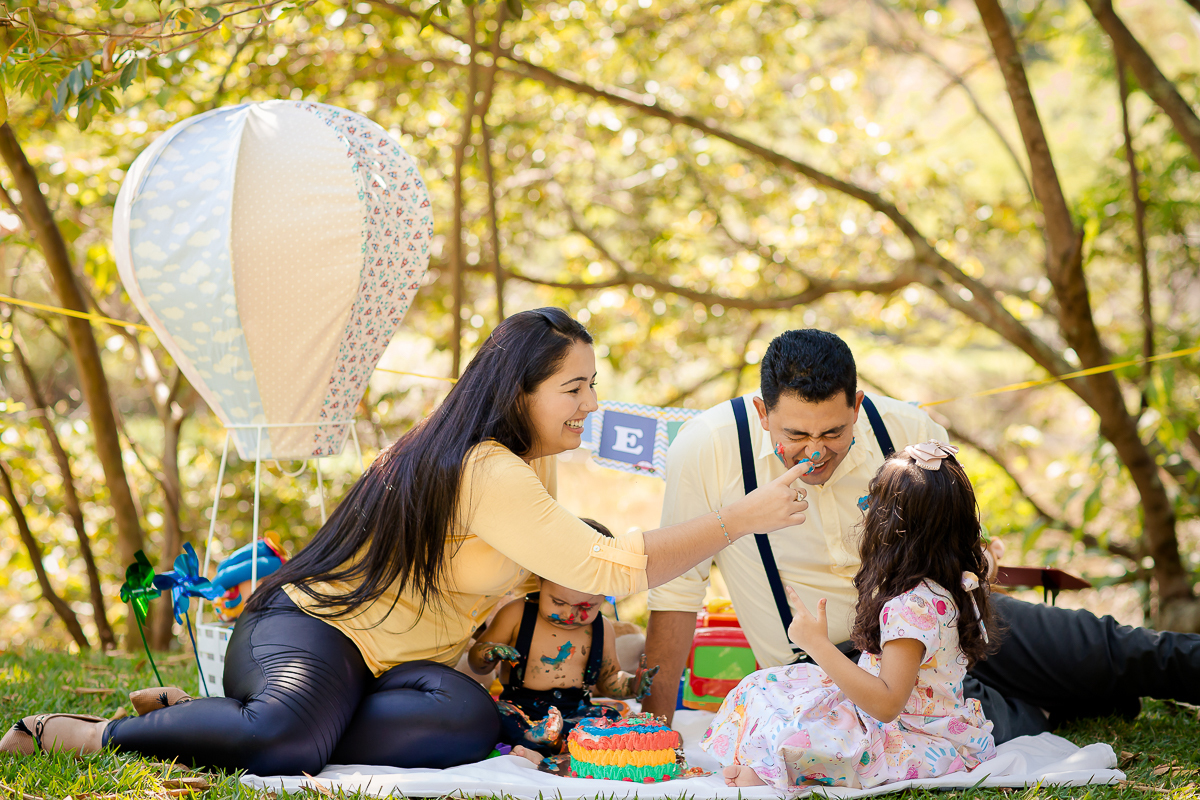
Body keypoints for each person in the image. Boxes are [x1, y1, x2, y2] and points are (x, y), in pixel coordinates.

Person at [1, 308, 811, 776]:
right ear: (518, 393)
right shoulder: (485, 468)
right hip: (315, 632)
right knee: (285, 744)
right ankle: (89, 731)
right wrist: (738, 516)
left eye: (593, 384)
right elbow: (594, 565)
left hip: (404, 670)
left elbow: (557, 587)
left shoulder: (532, 466)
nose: (591, 404)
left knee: (470, 725)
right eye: (574, 387)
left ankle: (209, 716)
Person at [643, 328, 1200, 743]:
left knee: (1105, 647)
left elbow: (964, 542)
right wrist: (655, 731)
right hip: (838, 669)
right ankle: (1057, 703)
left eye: (834, 432)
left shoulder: (906, 429)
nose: (815, 450)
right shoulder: (709, 449)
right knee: (1009, 720)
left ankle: (1101, 683)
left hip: (951, 620)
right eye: (796, 434)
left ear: (858, 406)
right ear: (764, 414)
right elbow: (674, 593)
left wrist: (978, 560)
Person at [704, 441, 996, 791]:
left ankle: (767, 768)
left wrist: (817, 645)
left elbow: (888, 705)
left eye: (871, 502)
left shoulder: (912, 607)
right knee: (765, 686)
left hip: (910, 737)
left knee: (795, 729)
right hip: (895, 717)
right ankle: (762, 758)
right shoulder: (950, 581)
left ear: (894, 526)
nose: (865, 509)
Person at [468, 518, 656, 760]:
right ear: (539, 580)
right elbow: (476, 660)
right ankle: (538, 738)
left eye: (586, 606)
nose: (569, 614)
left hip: (573, 709)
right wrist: (488, 653)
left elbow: (609, 678)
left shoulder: (602, 627)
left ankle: (549, 740)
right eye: (558, 602)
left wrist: (631, 685)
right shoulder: (517, 613)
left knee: (609, 718)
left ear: (605, 595)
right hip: (520, 707)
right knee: (495, 713)